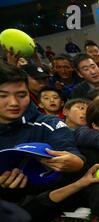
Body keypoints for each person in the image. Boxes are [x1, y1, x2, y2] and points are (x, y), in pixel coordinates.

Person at [0, 64, 84, 196]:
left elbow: (74, 157)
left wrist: (75, 163)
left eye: (21, 95)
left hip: (51, 202)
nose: (14, 103)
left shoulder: (49, 123)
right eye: (3, 96)